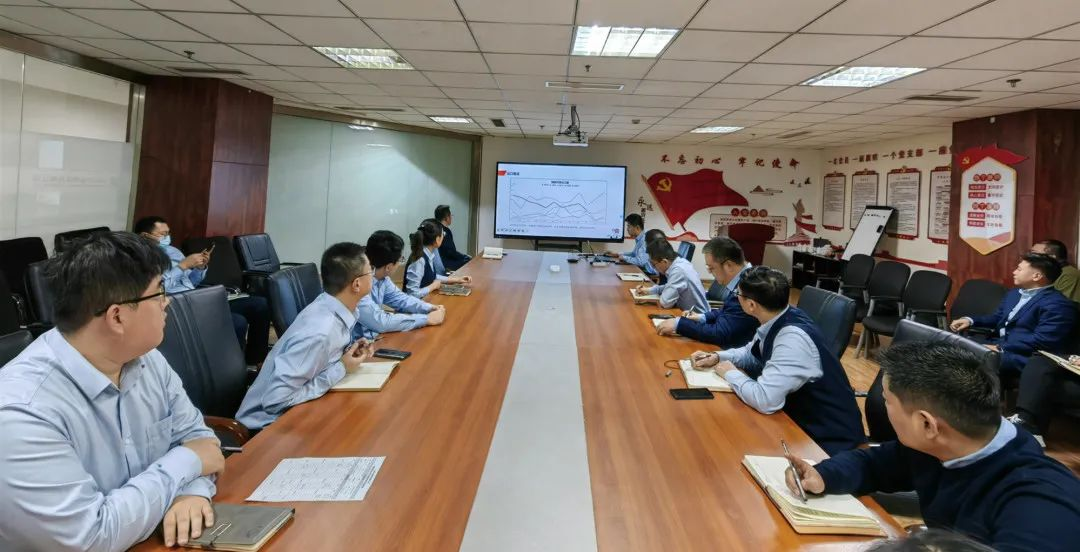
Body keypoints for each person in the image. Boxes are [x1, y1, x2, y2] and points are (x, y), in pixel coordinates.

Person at [0, 232, 224, 550]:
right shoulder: (23, 412)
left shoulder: (147, 360)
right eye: (159, 292)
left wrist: (191, 493)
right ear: (117, 316)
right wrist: (187, 462)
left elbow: (202, 443)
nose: (167, 301)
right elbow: (90, 538)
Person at [784, 342, 1080, 551]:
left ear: (927, 424)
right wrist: (824, 474)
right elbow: (875, 463)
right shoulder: (946, 443)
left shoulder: (1040, 507)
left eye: (887, 400)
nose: (883, 406)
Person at [691, 267, 864, 455]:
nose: (736, 297)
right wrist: (719, 357)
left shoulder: (791, 339)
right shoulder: (778, 316)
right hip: (795, 420)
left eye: (738, 294)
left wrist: (730, 373)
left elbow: (765, 400)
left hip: (826, 441)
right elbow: (752, 352)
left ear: (751, 305)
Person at [236, 243, 376, 431]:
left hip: (301, 409)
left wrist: (347, 353)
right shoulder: (320, 332)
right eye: (370, 270)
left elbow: (321, 358)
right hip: (268, 428)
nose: (373, 274)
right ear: (357, 284)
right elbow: (275, 401)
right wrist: (341, 368)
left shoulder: (329, 304)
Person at [134, 216, 271, 366]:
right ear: (145, 236)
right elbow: (155, 289)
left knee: (259, 305)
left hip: (196, 297)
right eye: (162, 234)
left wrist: (200, 268)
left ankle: (256, 361)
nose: (167, 237)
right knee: (237, 322)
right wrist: (182, 266)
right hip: (176, 306)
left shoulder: (173, 251)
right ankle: (230, 368)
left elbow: (191, 282)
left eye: (168, 233)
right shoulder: (140, 258)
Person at [949, 253, 1077, 375]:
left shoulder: (1058, 304)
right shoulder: (1014, 293)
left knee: (963, 356)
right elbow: (998, 318)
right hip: (999, 344)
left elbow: (1043, 341)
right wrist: (970, 320)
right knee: (948, 344)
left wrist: (1000, 347)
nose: (1014, 272)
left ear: (1036, 276)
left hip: (1024, 356)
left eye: (1019, 269)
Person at [655, 237, 758, 348]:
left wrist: (679, 324)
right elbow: (726, 310)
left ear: (729, 265)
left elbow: (719, 334)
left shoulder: (747, 287)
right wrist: (702, 317)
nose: (709, 272)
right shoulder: (745, 277)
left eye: (711, 268)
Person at [353, 230, 445, 340]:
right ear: (388, 267)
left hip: (372, 339)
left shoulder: (382, 278)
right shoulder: (359, 283)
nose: (400, 263)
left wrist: (429, 308)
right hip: (355, 344)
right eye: (400, 259)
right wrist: (426, 319)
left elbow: (402, 299)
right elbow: (380, 322)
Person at [403, 219, 473, 298]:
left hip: (425, 299)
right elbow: (412, 294)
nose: (443, 236)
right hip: (416, 303)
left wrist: (457, 280)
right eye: (443, 234)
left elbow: (431, 276)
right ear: (437, 239)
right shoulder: (419, 260)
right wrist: (433, 286)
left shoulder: (428, 253)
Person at [634, 239, 708, 312]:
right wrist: (649, 290)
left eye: (653, 264)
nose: (653, 268)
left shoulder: (678, 271)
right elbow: (670, 286)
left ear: (664, 262)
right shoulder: (679, 262)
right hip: (685, 312)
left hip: (696, 316)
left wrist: (649, 300)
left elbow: (665, 303)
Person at [1032, 239, 1080, 303]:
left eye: (1034, 253)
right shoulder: (1044, 272)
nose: (1029, 257)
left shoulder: (1069, 275)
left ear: (1051, 257)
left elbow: (1060, 304)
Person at [435, 205, 470, 271]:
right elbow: (450, 252)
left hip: (438, 263)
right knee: (469, 261)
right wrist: (464, 257)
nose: (451, 217)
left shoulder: (435, 228)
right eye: (450, 215)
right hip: (446, 264)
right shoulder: (445, 231)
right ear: (446, 217)